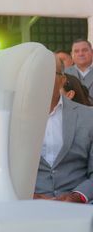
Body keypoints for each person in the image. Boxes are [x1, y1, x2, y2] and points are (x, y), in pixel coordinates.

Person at [34, 55, 93, 203]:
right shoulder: (14, 118)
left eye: (48, 73)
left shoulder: (88, 116)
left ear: (62, 79)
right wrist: (29, 195)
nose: (40, 79)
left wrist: (78, 196)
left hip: (79, 207)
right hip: (29, 207)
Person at [65, 39, 93, 105]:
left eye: (85, 50)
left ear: (92, 52)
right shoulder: (64, 74)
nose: (81, 54)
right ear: (72, 54)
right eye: (76, 51)